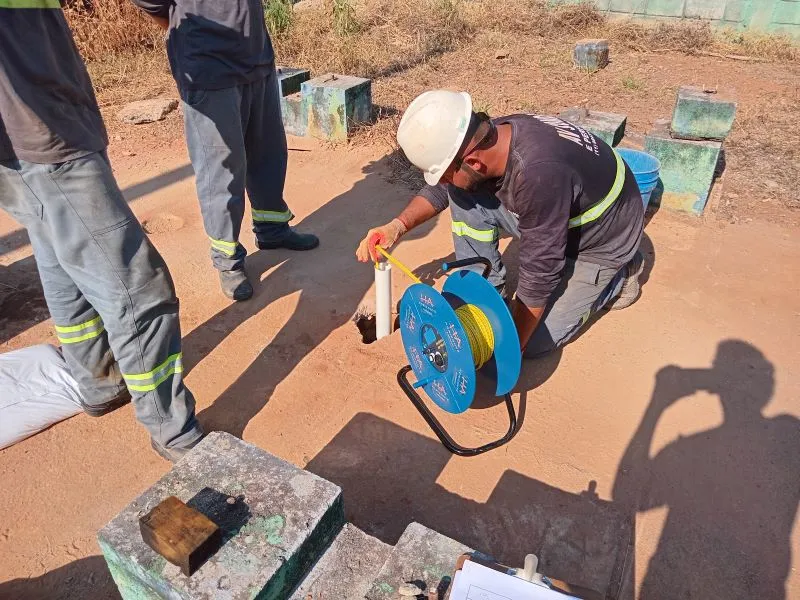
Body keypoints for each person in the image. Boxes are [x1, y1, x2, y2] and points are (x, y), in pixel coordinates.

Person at [0, 2, 202, 461]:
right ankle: (174, 431)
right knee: (139, 289)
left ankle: (98, 382)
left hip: (20, 140)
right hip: (43, 129)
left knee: (61, 262)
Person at [357, 90, 645, 357]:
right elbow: (442, 190)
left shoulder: (538, 176)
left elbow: (541, 271)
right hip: (561, 204)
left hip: (601, 239)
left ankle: (618, 278)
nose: (443, 183)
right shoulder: (485, 136)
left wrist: (510, 348)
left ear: (473, 163)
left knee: (532, 341)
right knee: (461, 190)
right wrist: (397, 226)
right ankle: (485, 287)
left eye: (443, 174)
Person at [131, 0, 319, 301]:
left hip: (256, 59)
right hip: (208, 69)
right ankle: (228, 261)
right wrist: (188, 27)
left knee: (268, 154)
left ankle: (272, 230)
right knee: (221, 172)